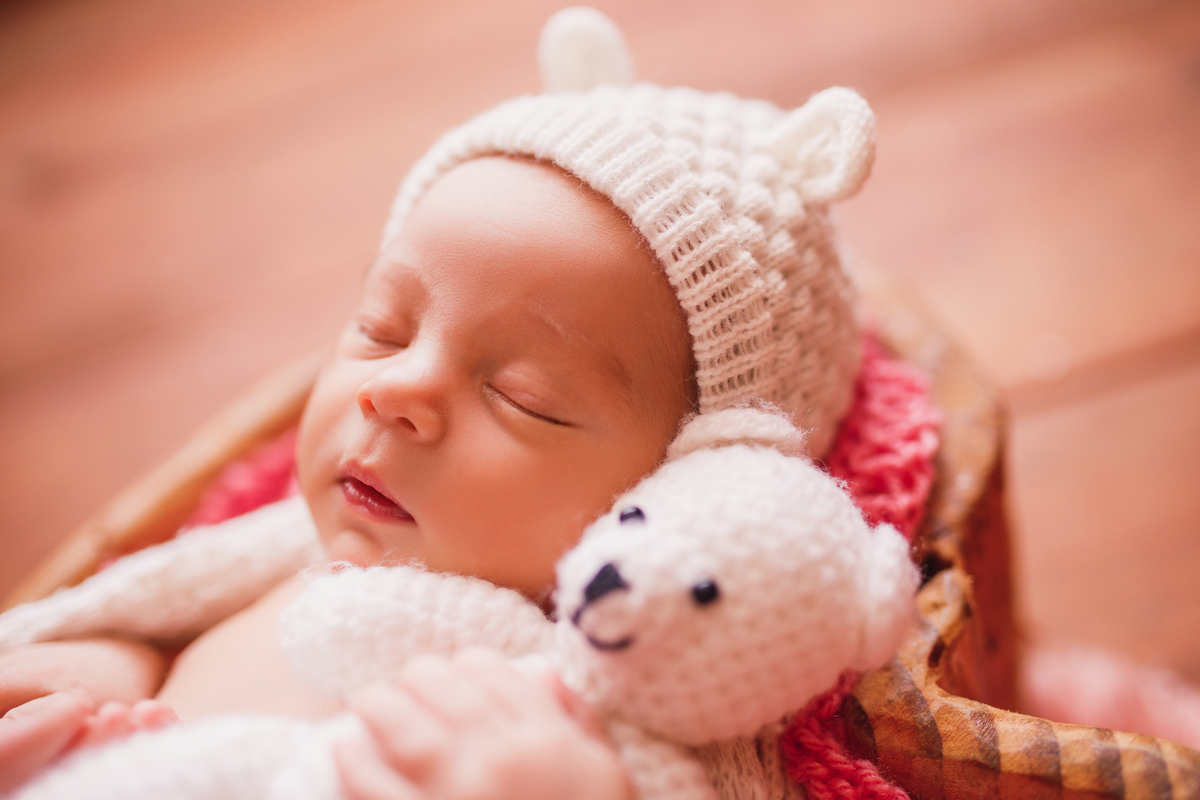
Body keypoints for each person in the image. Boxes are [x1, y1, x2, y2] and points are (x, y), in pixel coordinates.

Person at [0, 9, 873, 797]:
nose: (392, 392)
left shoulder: (600, 691)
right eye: (381, 329)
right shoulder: (283, 558)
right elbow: (160, 612)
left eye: (524, 398)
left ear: (683, 488)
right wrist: (115, 661)